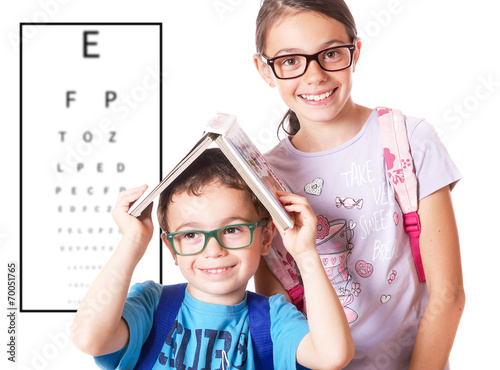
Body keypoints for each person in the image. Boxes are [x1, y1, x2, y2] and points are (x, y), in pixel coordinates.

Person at [252, 0, 465, 369]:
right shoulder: (264, 177)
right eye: (290, 61)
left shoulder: (408, 140)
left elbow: (448, 295)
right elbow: (279, 312)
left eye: (331, 53)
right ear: (264, 69)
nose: (314, 75)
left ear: (356, 52)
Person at [71, 148, 354, 369]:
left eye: (232, 230)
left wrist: (305, 253)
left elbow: (332, 356)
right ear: (172, 248)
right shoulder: (152, 306)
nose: (213, 250)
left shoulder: (272, 320)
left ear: (266, 237)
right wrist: (132, 241)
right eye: (191, 235)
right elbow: (88, 338)